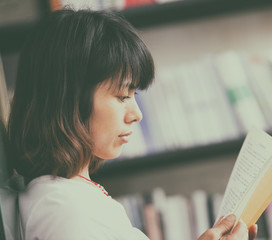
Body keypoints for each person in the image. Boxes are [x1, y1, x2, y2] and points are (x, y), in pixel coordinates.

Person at [6, 9, 258, 240]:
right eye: (122, 95)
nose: (136, 114)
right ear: (68, 99)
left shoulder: (66, 196)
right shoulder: (64, 210)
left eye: (134, 96)